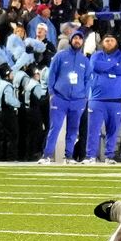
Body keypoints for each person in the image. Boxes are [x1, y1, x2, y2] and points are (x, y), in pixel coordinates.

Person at [39, 30, 90, 164]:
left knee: (73, 130)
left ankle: (69, 156)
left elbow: (88, 80)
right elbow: (52, 74)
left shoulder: (85, 60)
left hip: (78, 100)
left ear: (82, 42)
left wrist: (85, 97)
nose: (77, 41)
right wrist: (51, 93)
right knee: (54, 127)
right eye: (75, 38)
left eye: (80, 39)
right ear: (71, 40)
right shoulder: (60, 56)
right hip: (60, 98)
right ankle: (46, 155)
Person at [85, 32, 121, 164]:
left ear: (116, 43)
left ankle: (109, 156)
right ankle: (90, 156)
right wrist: (113, 65)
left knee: (113, 129)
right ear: (102, 43)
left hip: (116, 98)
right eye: (106, 41)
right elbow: (95, 67)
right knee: (93, 129)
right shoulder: (96, 56)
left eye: (111, 40)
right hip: (97, 98)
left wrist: (106, 66)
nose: (109, 43)